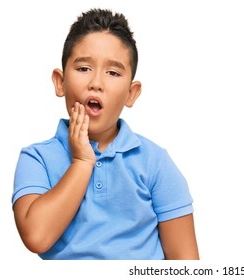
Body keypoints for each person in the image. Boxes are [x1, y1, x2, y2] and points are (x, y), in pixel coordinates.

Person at [12, 8, 199, 260]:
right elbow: (37, 236)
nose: (96, 83)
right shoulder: (36, 158)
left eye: (113, 73)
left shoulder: (155, 162)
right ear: (60, 82)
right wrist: (82, 161)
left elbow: (186, 261)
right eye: (84, 68)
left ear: (131, 94)